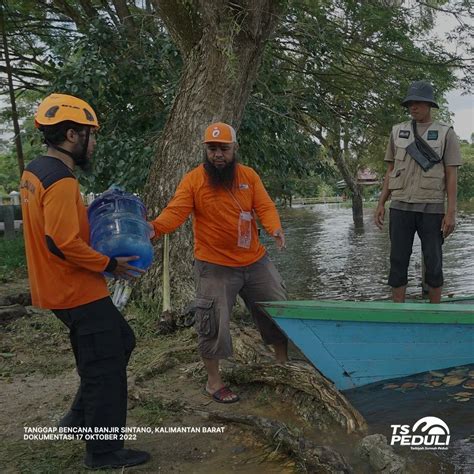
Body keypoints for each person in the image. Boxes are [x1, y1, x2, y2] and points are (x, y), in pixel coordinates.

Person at [19, 93, 150, 469]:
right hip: (74, 288)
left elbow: (54, 231)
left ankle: (78, 419)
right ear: (73, 135)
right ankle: (104, 450)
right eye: (92, 136)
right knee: (104, 364)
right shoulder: (60, 181)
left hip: (58, 287)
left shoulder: (35, 171)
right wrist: (110, 263)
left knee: (120, 341)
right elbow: (61, 243)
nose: (94, 143)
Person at [150, 122, 288, 403]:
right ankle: (214, 382)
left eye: (223, 148)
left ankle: (283, 366)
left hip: (255, 260)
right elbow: (174, 213)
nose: (218, 155)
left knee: (277, 307)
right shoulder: (193, 180)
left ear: (234, 148)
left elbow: (264, 206)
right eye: (212, 149)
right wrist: (153, 229)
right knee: (212, 321)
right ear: (205, 150)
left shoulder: (249, 176)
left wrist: (274, 227)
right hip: (214, 265)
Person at [374, 81, 462, 303]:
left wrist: (451, 212)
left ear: (429, 104)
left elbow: (451, 175)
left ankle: (435, 311)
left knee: (434, 261)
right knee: (397, 260)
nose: (413, 107)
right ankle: (398, 311)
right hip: (400, 205)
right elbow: (390, 170)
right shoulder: (397, 131)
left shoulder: (446, 134)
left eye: (418, 103)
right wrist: (381, 203)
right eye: (410, 103)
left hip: (431, 207)